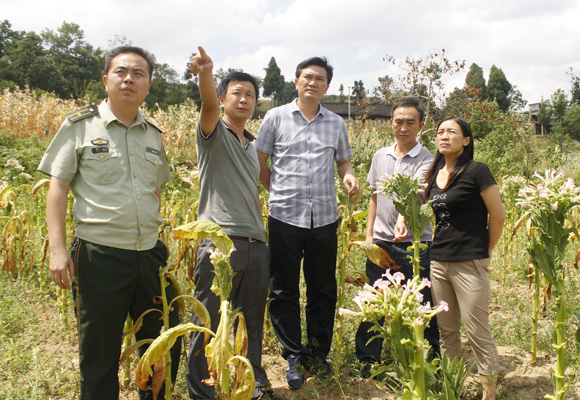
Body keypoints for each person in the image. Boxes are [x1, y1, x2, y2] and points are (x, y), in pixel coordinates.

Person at [38, 46, 180, 400]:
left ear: (149, 84)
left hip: (148, 256)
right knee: (99, 352)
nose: (129, 79)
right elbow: (57, 191)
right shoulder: (79, 127)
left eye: (138, 73)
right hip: (99, 256)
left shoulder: (153, 134)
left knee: (160, 344)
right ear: (106, 79)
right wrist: (57, 250)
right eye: (121, 71)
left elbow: (155, 191)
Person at [256, 56, 359, 390]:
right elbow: (259, 161)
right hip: (284, 215)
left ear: (327, 86)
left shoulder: (336, 123)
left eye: (320, 79)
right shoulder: (275, 117)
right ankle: (292, 354)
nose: (313, 82)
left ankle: (318, 353)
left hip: (325, 218)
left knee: (323, 287)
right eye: (307, 77)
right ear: (296, 81)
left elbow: (343, 162)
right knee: (283, 287)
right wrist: (277, 190)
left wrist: (349, 177)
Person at [185, 46, 273, 400]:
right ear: (222, 98)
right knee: (209, 320)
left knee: (251, 322)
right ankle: (202, 393)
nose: (245, 99)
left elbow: (252, 191)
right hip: (220, 241)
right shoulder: (213, 132)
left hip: (255, 243)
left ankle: (251, 385)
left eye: (251, 95)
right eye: (237, 92)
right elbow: (206, 106)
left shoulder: (251, 145)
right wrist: (205, 74)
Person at [355, 98, 439, 375]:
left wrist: (403, 219)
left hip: (416, 244)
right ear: (391, 123)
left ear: (421, 126)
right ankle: (367, 361)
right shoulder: (380, 156)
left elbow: (416, 194)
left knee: (421, 300)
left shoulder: (428, 159)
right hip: (381, 241)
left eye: (410, 122)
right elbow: (375, 197)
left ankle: (427, 362)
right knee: (375, 299)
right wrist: (369, 236)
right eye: (398, 121)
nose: (403, 127)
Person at [424, 117, 505, 400]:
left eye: (452, 132)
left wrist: (485, 252)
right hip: (438, 261)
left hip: (469, 261)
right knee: (446, 331)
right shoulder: (434, 174)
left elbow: (498, 215)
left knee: (477, 331)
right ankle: (451, 388)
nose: (444, 136)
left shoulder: (477, 171)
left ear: (466, 140)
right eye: (440, 132)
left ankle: (489, 394)